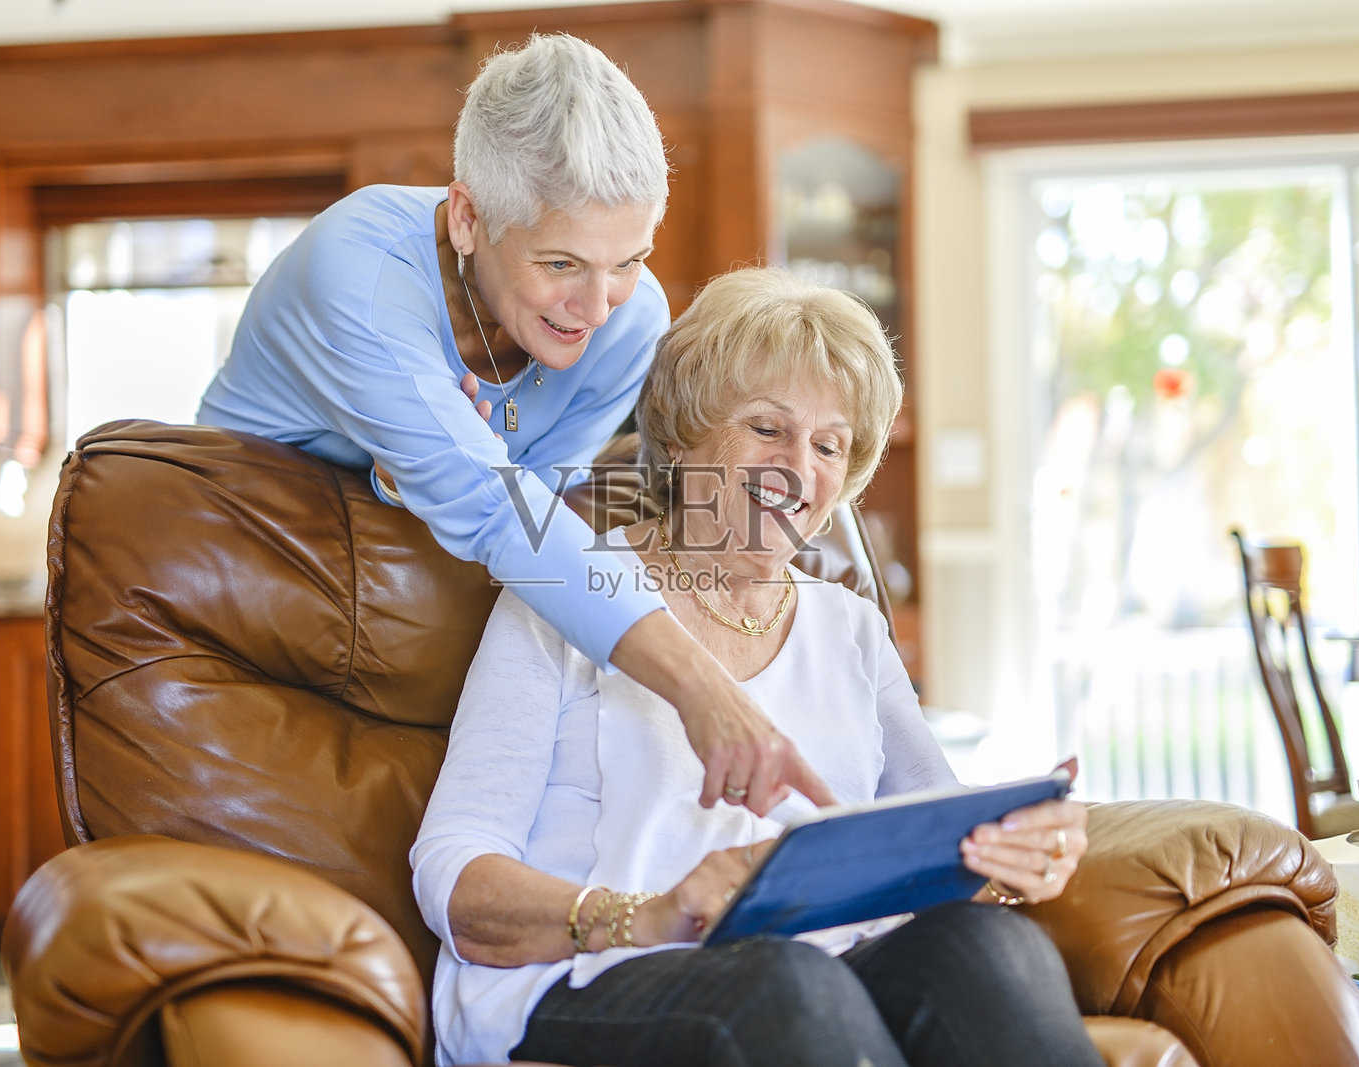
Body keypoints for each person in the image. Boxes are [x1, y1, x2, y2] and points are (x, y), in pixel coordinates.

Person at [411, 268, 1102, 1067]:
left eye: (829, 444)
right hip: (594, 972)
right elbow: (455, 871)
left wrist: (1013, 853)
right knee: (787, 981)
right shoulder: (566, 596)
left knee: (983, 946)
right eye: (768, 428)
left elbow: (935, 831)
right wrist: (651, 912)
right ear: (684, 438)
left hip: (815, 974)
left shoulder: (850, 629)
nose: (799, 468)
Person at [197, 32, 829, 817]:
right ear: (468, 218)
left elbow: (532, 504)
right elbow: (500, 511)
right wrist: (705, 687)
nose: (596, 308)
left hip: (430, 601)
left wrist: (429, 469)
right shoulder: (357, 270)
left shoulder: (630, 324)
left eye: (628, 260)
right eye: (561, 263)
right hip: (255, 588)